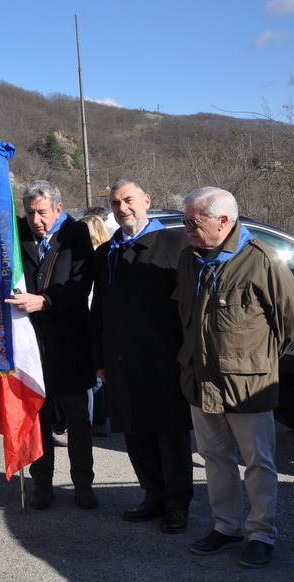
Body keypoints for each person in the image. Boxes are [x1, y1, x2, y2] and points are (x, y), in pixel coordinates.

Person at [175, 187, 294, 568]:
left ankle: (261, 534)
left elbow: (292, 317)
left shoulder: (261, 259)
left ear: (223, 221)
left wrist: (258, 358)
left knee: (257, 462)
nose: (187, 228)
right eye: (185, 221)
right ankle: (227, 526)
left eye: (193, 221)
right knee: (215, 457)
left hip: (248, 384)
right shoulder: (188, 259)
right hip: (201, 380)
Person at [89, 179, 193, 534]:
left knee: (170, 434)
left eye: (129, 200)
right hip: (120, 360)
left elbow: (190, 306)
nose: (123, 209)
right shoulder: (107, 252)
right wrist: (99, 358)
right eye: (116, 204)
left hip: (166, 358)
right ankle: (153, 495)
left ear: (146, 200)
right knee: (134, 432)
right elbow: (100, 310)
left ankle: (177, 503)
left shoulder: (176, 243)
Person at [6, 180, 97, 511]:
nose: (35, 220)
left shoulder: (76, 233)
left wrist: (44, 301)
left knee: (77, 418)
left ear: (58, 208)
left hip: (69, 340)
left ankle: (83, 484)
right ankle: (42, 483)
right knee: (36, 416)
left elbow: (80, 284)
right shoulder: (16, 231)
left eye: (42, 213)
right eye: (30, 213)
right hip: (30, 343)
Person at [78, 213, 110, 437]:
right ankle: (100, 419)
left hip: (90, 318)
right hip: (104, 320)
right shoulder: (108, 254)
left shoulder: (91, 258)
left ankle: (91, 422)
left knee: (92, 376)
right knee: (100, 373)